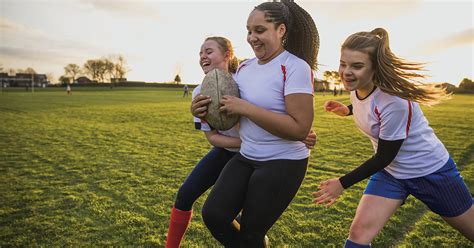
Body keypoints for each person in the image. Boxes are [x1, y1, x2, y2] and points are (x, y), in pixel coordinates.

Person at [312, 28, 473, 247]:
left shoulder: (395, 101)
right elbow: (368, 106)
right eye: (343, 64)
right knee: (358, 235)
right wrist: (347, 110)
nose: (346, 72)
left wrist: (342, 183)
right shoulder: (357, 86)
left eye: (357, 66)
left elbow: (384, 156)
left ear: (375, 68)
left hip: (431, 172)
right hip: (392, 175)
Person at [165, 36, 317, 248]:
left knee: (242, 220)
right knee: (186, 195)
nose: (202, 57)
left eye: (208, 51)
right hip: (228, 150)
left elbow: (276, 109)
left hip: (258, 156)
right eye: (200, 53)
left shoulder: (246, 80)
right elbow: (212, 138)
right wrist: (244, 140)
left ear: (227, 54)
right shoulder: (200, 93)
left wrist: (298, 131)